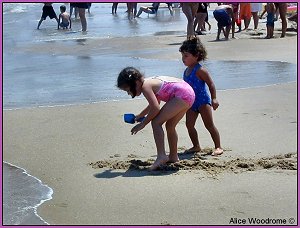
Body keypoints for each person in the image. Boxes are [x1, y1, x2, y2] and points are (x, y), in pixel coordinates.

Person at [117, 67, 195, 170]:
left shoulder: (145, 87)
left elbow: (155, 108)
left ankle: (162, 155)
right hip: (189, 94)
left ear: (135, 82)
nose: (128, 93)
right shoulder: (149, 82)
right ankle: (173, 156)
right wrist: (140, 115)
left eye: (127, 89)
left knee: (156, 122)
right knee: (170, 125)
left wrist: (143, 124)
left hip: (181, 96)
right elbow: (154, 103)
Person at [179, 38, 223, 156]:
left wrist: (214, 98)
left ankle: (218, 146)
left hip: (203, 102)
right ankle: (196, 146)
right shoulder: (186, 71)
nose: (183, 59)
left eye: (186, 56)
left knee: (209, 125)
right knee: (189, 125)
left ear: (197, 55)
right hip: (191, 103)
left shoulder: (200, 70)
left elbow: (211, 84)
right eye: (182, 56)